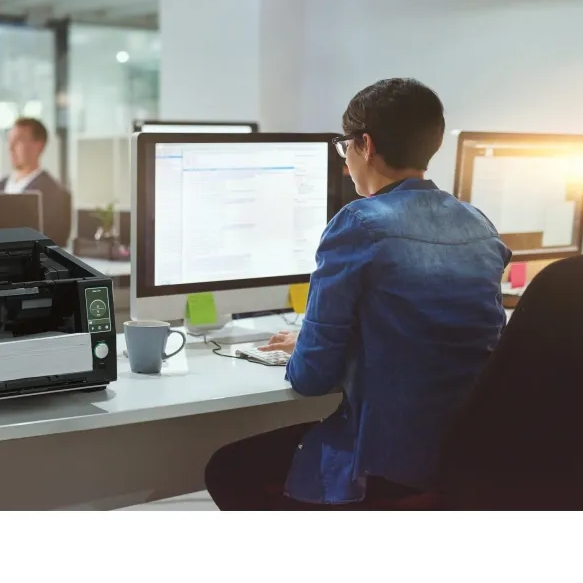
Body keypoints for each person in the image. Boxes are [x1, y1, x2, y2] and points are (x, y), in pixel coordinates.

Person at [204, 78, 512, 510]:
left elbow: (310, 378)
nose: (345, 161)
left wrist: (312, 345)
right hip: (466, 453)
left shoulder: (359, 223)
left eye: (344, 145)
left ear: (365, 145)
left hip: (387, 458)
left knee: (227, 468)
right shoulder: (478, 222)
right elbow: (434, 338)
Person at [0, 117, 71, 246]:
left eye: (18, 141)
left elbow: (54, 242)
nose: (11, 147)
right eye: (9, 141)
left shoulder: (55, 194)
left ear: (38, 145)